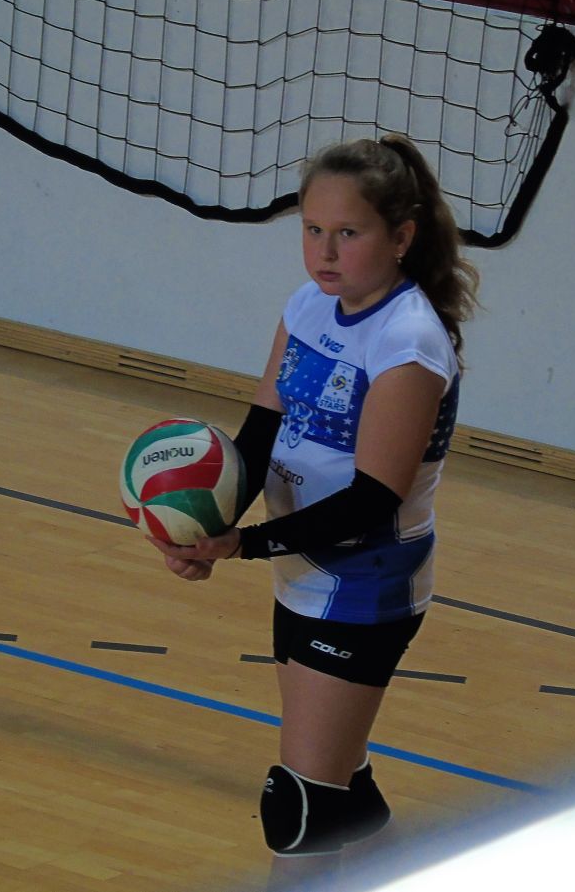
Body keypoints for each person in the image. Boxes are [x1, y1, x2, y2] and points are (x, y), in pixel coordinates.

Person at [147, 134, 479, 857]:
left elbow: (371, 499)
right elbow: (259, 434)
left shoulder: (408, 342)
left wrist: (244, 544)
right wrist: (202, 526)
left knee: (299, 808)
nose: (325, 252)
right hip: (299, 569)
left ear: (401, 238)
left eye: (348, 233)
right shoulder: (307, 306)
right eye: (312, 229)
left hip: (366, 580)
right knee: (341, 791)